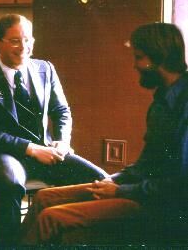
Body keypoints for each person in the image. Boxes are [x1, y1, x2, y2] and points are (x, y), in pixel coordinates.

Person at [20, 22, 188, 245]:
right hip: (142, 190)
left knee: (52, 217)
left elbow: (180, 184)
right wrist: (113, 180)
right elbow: (147, 164)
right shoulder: (161, 100)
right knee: (44, 197)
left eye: (138, 57)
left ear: (157, 58)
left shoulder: (183, 105)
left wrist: (121, 191)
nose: (135, 65)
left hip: (161, 205)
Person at [0, 14, 108, 245]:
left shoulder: (46, 69)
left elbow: (62, 110)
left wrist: (62, 141)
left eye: (27, 39)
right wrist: (31, 149)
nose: (23, 47)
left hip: (47, 150)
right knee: (11, 185)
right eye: (14, 41)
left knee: (98, 179)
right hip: (4, 154)